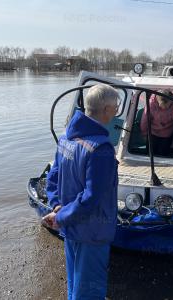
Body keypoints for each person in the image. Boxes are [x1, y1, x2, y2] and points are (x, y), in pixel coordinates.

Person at [43, 84, 119, 300]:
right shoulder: (101, 148)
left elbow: (53, 175)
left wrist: (57, 207)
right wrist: (60, 216)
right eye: (116, 107)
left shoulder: (67, 136)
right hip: (93, 230)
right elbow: (91, 197)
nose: (116, 112)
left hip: (71, 225)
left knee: (75, 282)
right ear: (105, 110)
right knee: (90, 290)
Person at [140, 89, 173, 156]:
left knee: (163, 153)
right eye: (162, 105)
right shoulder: (151, 105)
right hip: (153, 133)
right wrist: (144, 134)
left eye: (168, 105)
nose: (165, 107)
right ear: (158, 101)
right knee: (150, 153)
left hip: (168, 133)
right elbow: (145, 120)